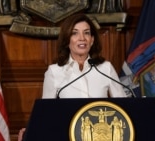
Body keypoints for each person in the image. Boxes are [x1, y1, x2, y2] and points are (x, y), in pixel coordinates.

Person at [18, 13, 126, 141]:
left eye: (86, 33)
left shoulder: (105, 68)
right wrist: (30, 133)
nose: (82, 38)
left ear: (92, 40)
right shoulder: (54, 72)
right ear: (67, 40)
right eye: (75, 33)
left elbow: (123, 106)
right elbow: (46, 113)